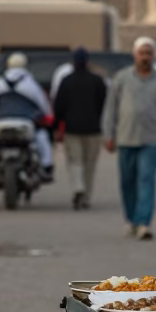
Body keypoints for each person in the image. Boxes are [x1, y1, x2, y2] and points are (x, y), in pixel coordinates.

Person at [103, 36, 156, 240]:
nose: (145, 57)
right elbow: (111, 109)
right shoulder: (121, 78)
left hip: (151, 140)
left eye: (149, 53)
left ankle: (144, 223)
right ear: (135, 55)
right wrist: (109, 135)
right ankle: (131, 220)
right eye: (141, 53)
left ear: (154, 56)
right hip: (125, 138)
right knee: (127, 182)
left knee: (146, 180)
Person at [0, 52, 53, 177]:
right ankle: (46, 166)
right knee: (42, 137)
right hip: (25, 124)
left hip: (0, 123)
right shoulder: (30, 83)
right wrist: (48, 117)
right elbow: (43, 104)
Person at [53, 48, 107, 209]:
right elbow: (104, 104)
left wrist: (56, 127)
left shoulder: (66, 80)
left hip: (72, 128)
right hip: (94, 129)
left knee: (75, 161)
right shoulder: (98, 81)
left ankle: (78, 188)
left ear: (73, 63)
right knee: (90, 164)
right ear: (88, 62)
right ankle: (87, 198)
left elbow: (59, 106)